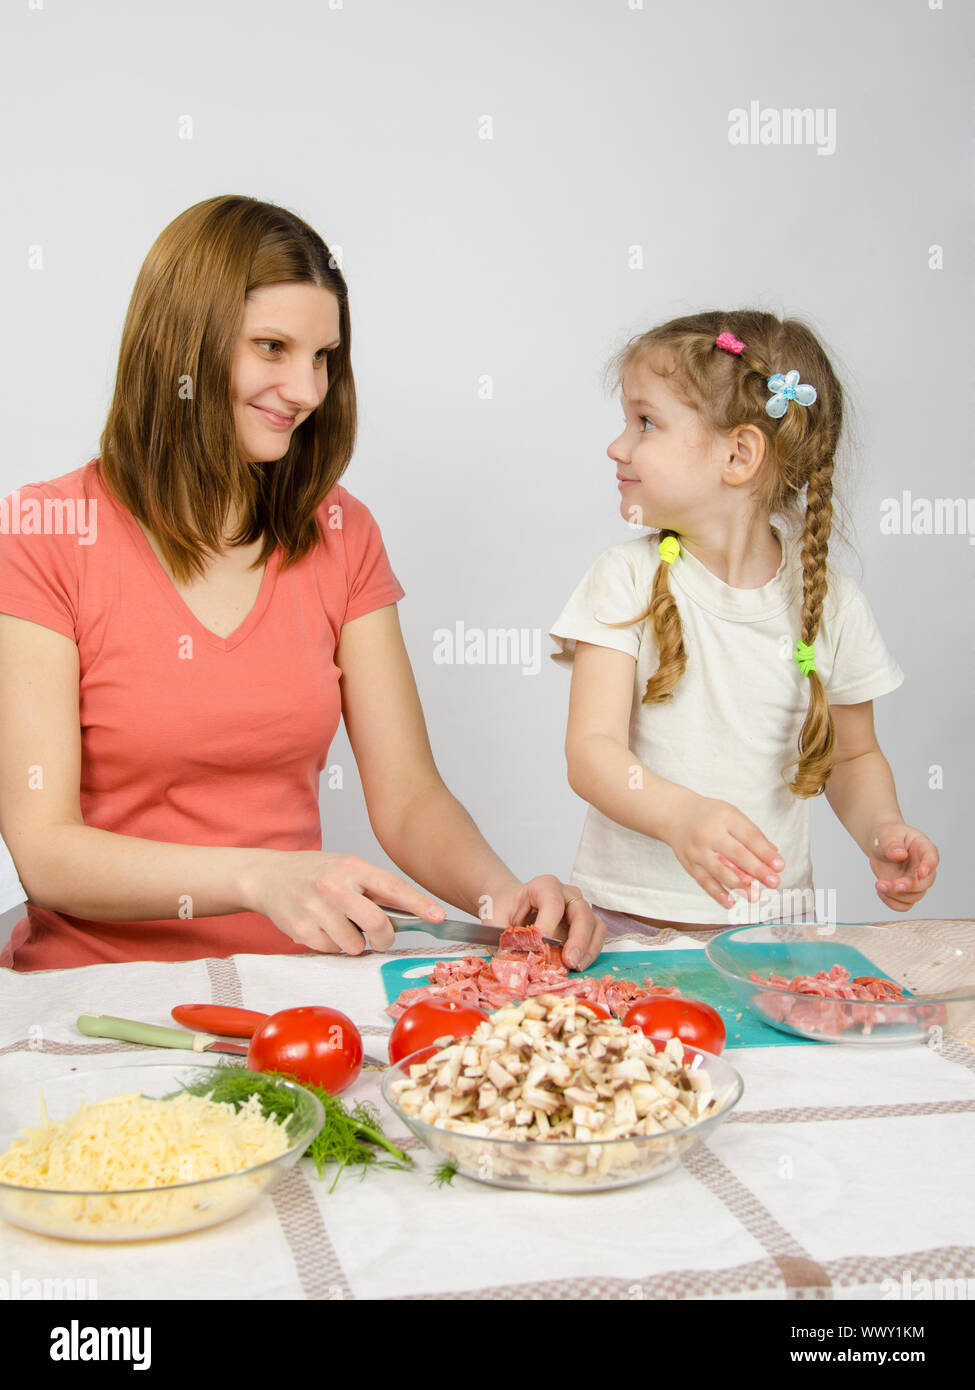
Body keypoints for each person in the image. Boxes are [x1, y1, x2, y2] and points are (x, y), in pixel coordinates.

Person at [0, 194, 604, 972]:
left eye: (323, 357)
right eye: (273, 347)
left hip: (296, 985)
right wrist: (258, 876)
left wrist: (506, 901)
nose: (309, 390)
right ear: (179, 343)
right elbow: (45, 851)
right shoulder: (44, 534)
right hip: (97, 996)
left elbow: (408, 797)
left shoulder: (342, 533)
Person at [549, 311, 940, 938]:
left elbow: (853, 754)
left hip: (774, 937)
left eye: (645, 422)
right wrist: (681, 816)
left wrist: (882, 829)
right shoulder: (622, 579)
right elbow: (591, 755)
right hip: (630, 929)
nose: (617, 445)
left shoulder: (828, 604)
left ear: (739, 453)